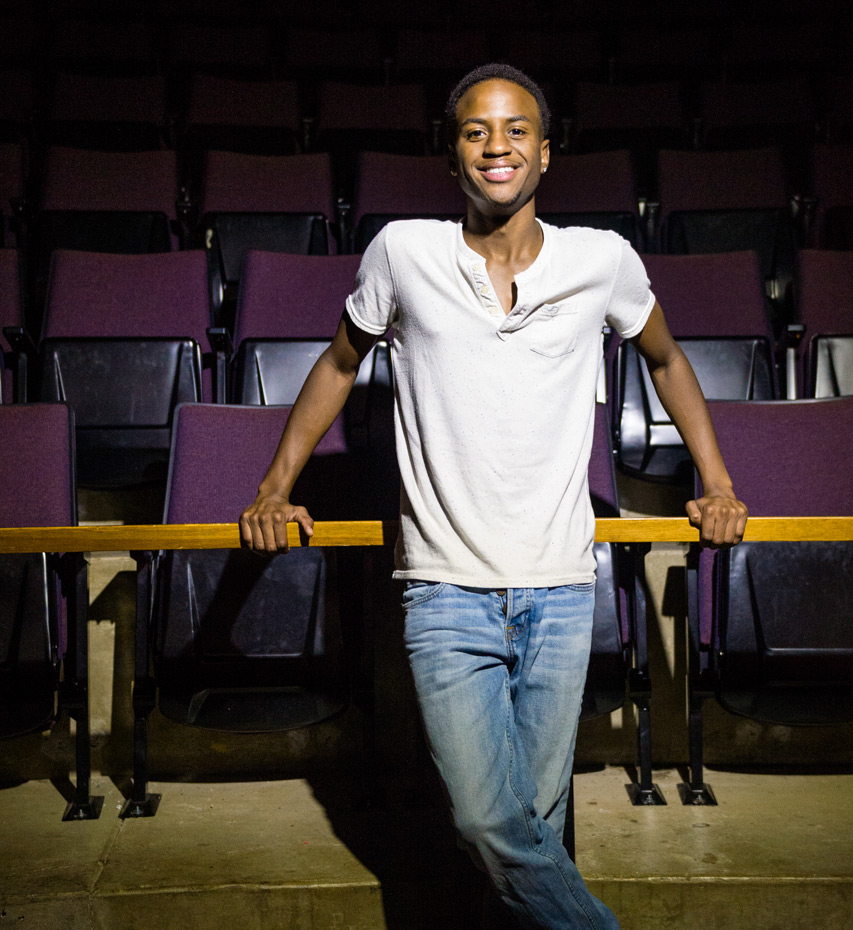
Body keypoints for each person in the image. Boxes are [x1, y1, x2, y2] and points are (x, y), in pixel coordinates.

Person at [240, 63, 748, 930]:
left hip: (558, 588)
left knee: (535, 826)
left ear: (546, 153)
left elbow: (666, 359)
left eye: (517, 130)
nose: (497, 145)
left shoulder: (602, 261)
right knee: (486, 818)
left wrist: (719, 481)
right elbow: (336, 364)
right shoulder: (405, 251)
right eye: (477, 131)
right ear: (453, 158)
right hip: (443, 591)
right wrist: (272, 487)